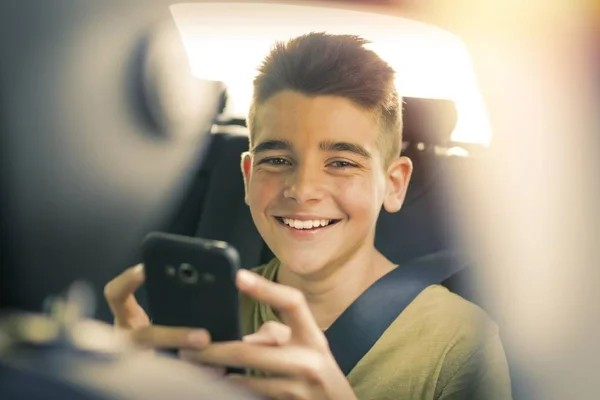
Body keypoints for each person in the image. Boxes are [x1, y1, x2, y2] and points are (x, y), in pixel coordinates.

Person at [104, 32, 512, 399]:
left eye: (341, 163)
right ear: (248, 177)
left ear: (394, 184)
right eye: (278, 159)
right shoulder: (202, 315)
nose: (302, 189)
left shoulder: (461, 343)